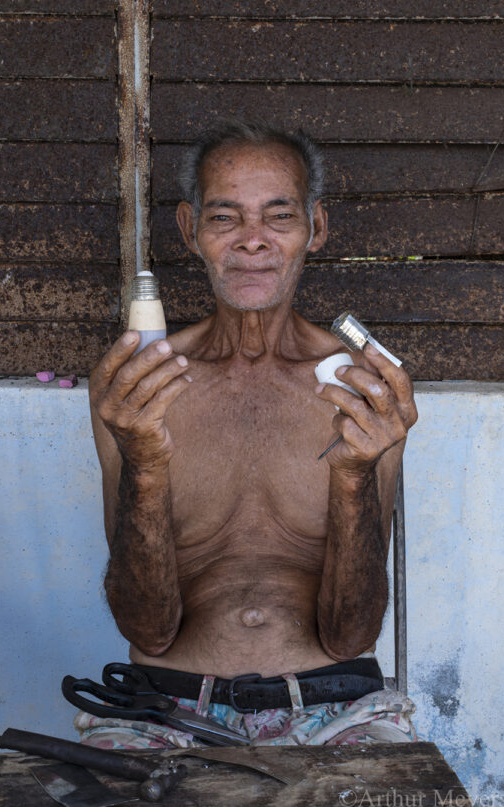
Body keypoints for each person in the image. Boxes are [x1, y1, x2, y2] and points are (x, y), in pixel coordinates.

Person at [80, 120, 419, 748]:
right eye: (225, 218)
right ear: (190, 231)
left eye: (279, 217)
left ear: (315, 229)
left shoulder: (363, 392)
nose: (253, 242)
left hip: (336, 703)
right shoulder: (140, 393)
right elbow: (147, 629)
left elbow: (351, 635)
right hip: (164, 705)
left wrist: (351, 477)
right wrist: (146, 465)